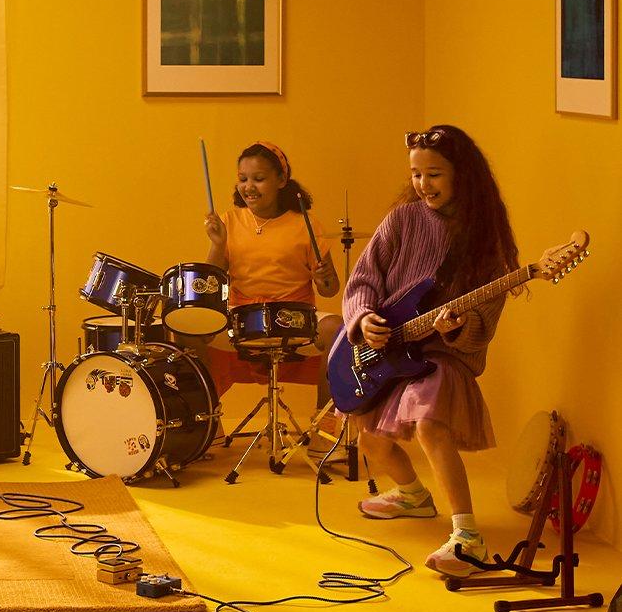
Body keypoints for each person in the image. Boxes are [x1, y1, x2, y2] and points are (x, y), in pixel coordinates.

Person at [341, 125, 517, 577]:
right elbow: (364, 278)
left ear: (464, 176)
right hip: (389, 349)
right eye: (416, 175)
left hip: (442, 353)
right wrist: (363, 320)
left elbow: (487, 315)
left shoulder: (483, 239)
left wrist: (459, 328)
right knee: (371, 441)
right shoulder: (402, 220)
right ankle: (413, 497)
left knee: (429, 422)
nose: (423, 185)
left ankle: (467, 537)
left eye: (434, 174)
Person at [200, 142, 341, 395]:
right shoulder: (228, 220)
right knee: (189, 326)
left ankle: (324, 424)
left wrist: (324, 279)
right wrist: (218, 244)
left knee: (337, 329)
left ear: (281, 180)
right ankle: (206, 418)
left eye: (259, 178)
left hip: (294, 318)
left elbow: (330, 290)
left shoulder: (305, 224)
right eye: (243, 179)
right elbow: (211, 283)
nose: (249, 187)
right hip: (241, 318)